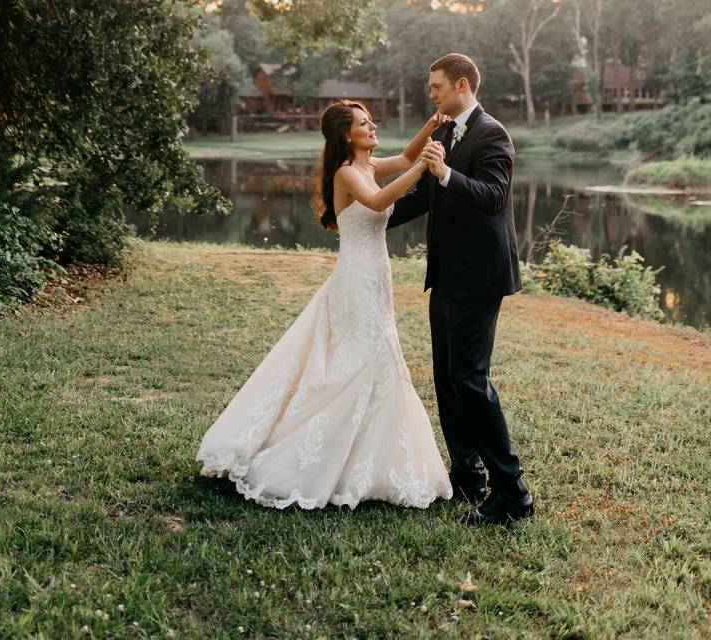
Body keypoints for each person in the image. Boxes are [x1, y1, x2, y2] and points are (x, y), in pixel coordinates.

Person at [195, 101, 453, 510]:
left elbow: (402, 156)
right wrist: (423, 167)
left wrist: (430, 127)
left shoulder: (366, 165)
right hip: (356, 280)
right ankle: (316, 458)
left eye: (370, 121)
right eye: (363, 124)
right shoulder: (348, 173)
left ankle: (370, 461)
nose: (371, 127)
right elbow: (379, 200)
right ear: (346, 135)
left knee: (378, 358)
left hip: (375, 275)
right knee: (359, 360)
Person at [387, 53, 534, 525]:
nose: (431, 95)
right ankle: (468, 478)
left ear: (462, 84)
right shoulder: (446, 132)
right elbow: (424, 196)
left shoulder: (494, 134)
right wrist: (373, 217)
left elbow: (492, 198)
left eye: (437, 87)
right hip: (447, 276)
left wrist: (446, 173)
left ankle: (512, 492)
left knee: (471, 378)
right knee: (448, 380)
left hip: (480, 277)